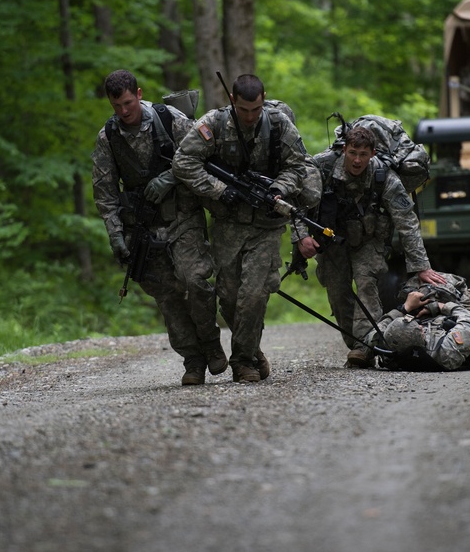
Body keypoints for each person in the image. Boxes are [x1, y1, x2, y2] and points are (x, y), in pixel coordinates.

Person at [172, 74, 312, 383]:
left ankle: (243, 361)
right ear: (233, 101)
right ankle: (254, 351)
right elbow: (183, 162)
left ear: (264, 100)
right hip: (227, 224)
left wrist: (278, 189)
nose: (250, 116)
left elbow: (299, 166)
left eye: (256, 109)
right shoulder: (215, 124)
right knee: (231, 297)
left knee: (254, 294)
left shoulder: (278, 125)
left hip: (266, 225)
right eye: (245, 110)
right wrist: (219, 189)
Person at [92, 70, 225, 387]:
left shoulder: (171, 119)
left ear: (138, 94)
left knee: (196, 281)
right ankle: (193, 360)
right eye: (116, 106)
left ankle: (210, 342)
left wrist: (170, 177)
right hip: (144, 227)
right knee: (167, 296)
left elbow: (204, 158)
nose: (124, 112)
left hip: (183, 216)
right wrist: (115, 235)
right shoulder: (108, 137)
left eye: (127, 103)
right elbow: (105, 192)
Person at [296, 125, 447, 369]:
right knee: (338, 293)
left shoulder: (384, 176)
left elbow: (407, 221)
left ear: (373, 154)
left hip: (369, 241)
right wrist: (301, 237)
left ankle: (365, 347)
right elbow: (298, 203)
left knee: (366, 285)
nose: (357, 160)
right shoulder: (321, 167)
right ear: (344, 149)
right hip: (332, 242)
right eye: (352, 152)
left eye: (363, 154)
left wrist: (421, 266)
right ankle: (357, 343)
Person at [367, 278, 470, 371]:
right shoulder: (446, 352)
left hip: (430, 336)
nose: (420, 327)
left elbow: (377, 330)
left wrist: (406, 308)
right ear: (419, 341)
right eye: (419, 328)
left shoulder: (386, 345)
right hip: (454, 346)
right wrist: (441, 307)